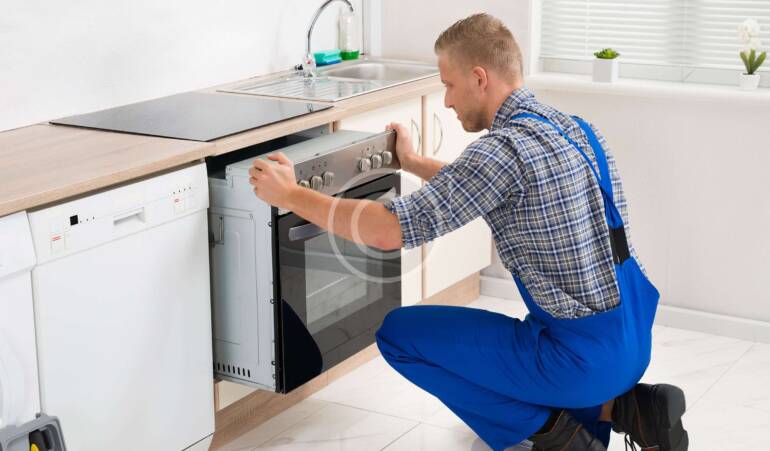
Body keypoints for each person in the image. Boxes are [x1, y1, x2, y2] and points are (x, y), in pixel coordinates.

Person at [248, 12, 689, 451]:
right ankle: (627, 407)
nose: (446, 101)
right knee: (521, 350)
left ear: (480, 78)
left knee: (399, 336)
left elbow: (388, 229)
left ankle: (563, 433)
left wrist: (290, 195)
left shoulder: (503, 150)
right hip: (631, 337)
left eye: (448, 84)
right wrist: (413, 162)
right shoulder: (572, 128)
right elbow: (484, 188)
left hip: (580, 359)